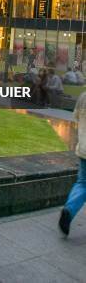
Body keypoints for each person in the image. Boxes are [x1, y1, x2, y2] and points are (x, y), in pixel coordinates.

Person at [59, 91, 86, 236]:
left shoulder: (83, 96)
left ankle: (69, 209)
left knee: (82, 183)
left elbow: (75, 118)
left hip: (83, 149)